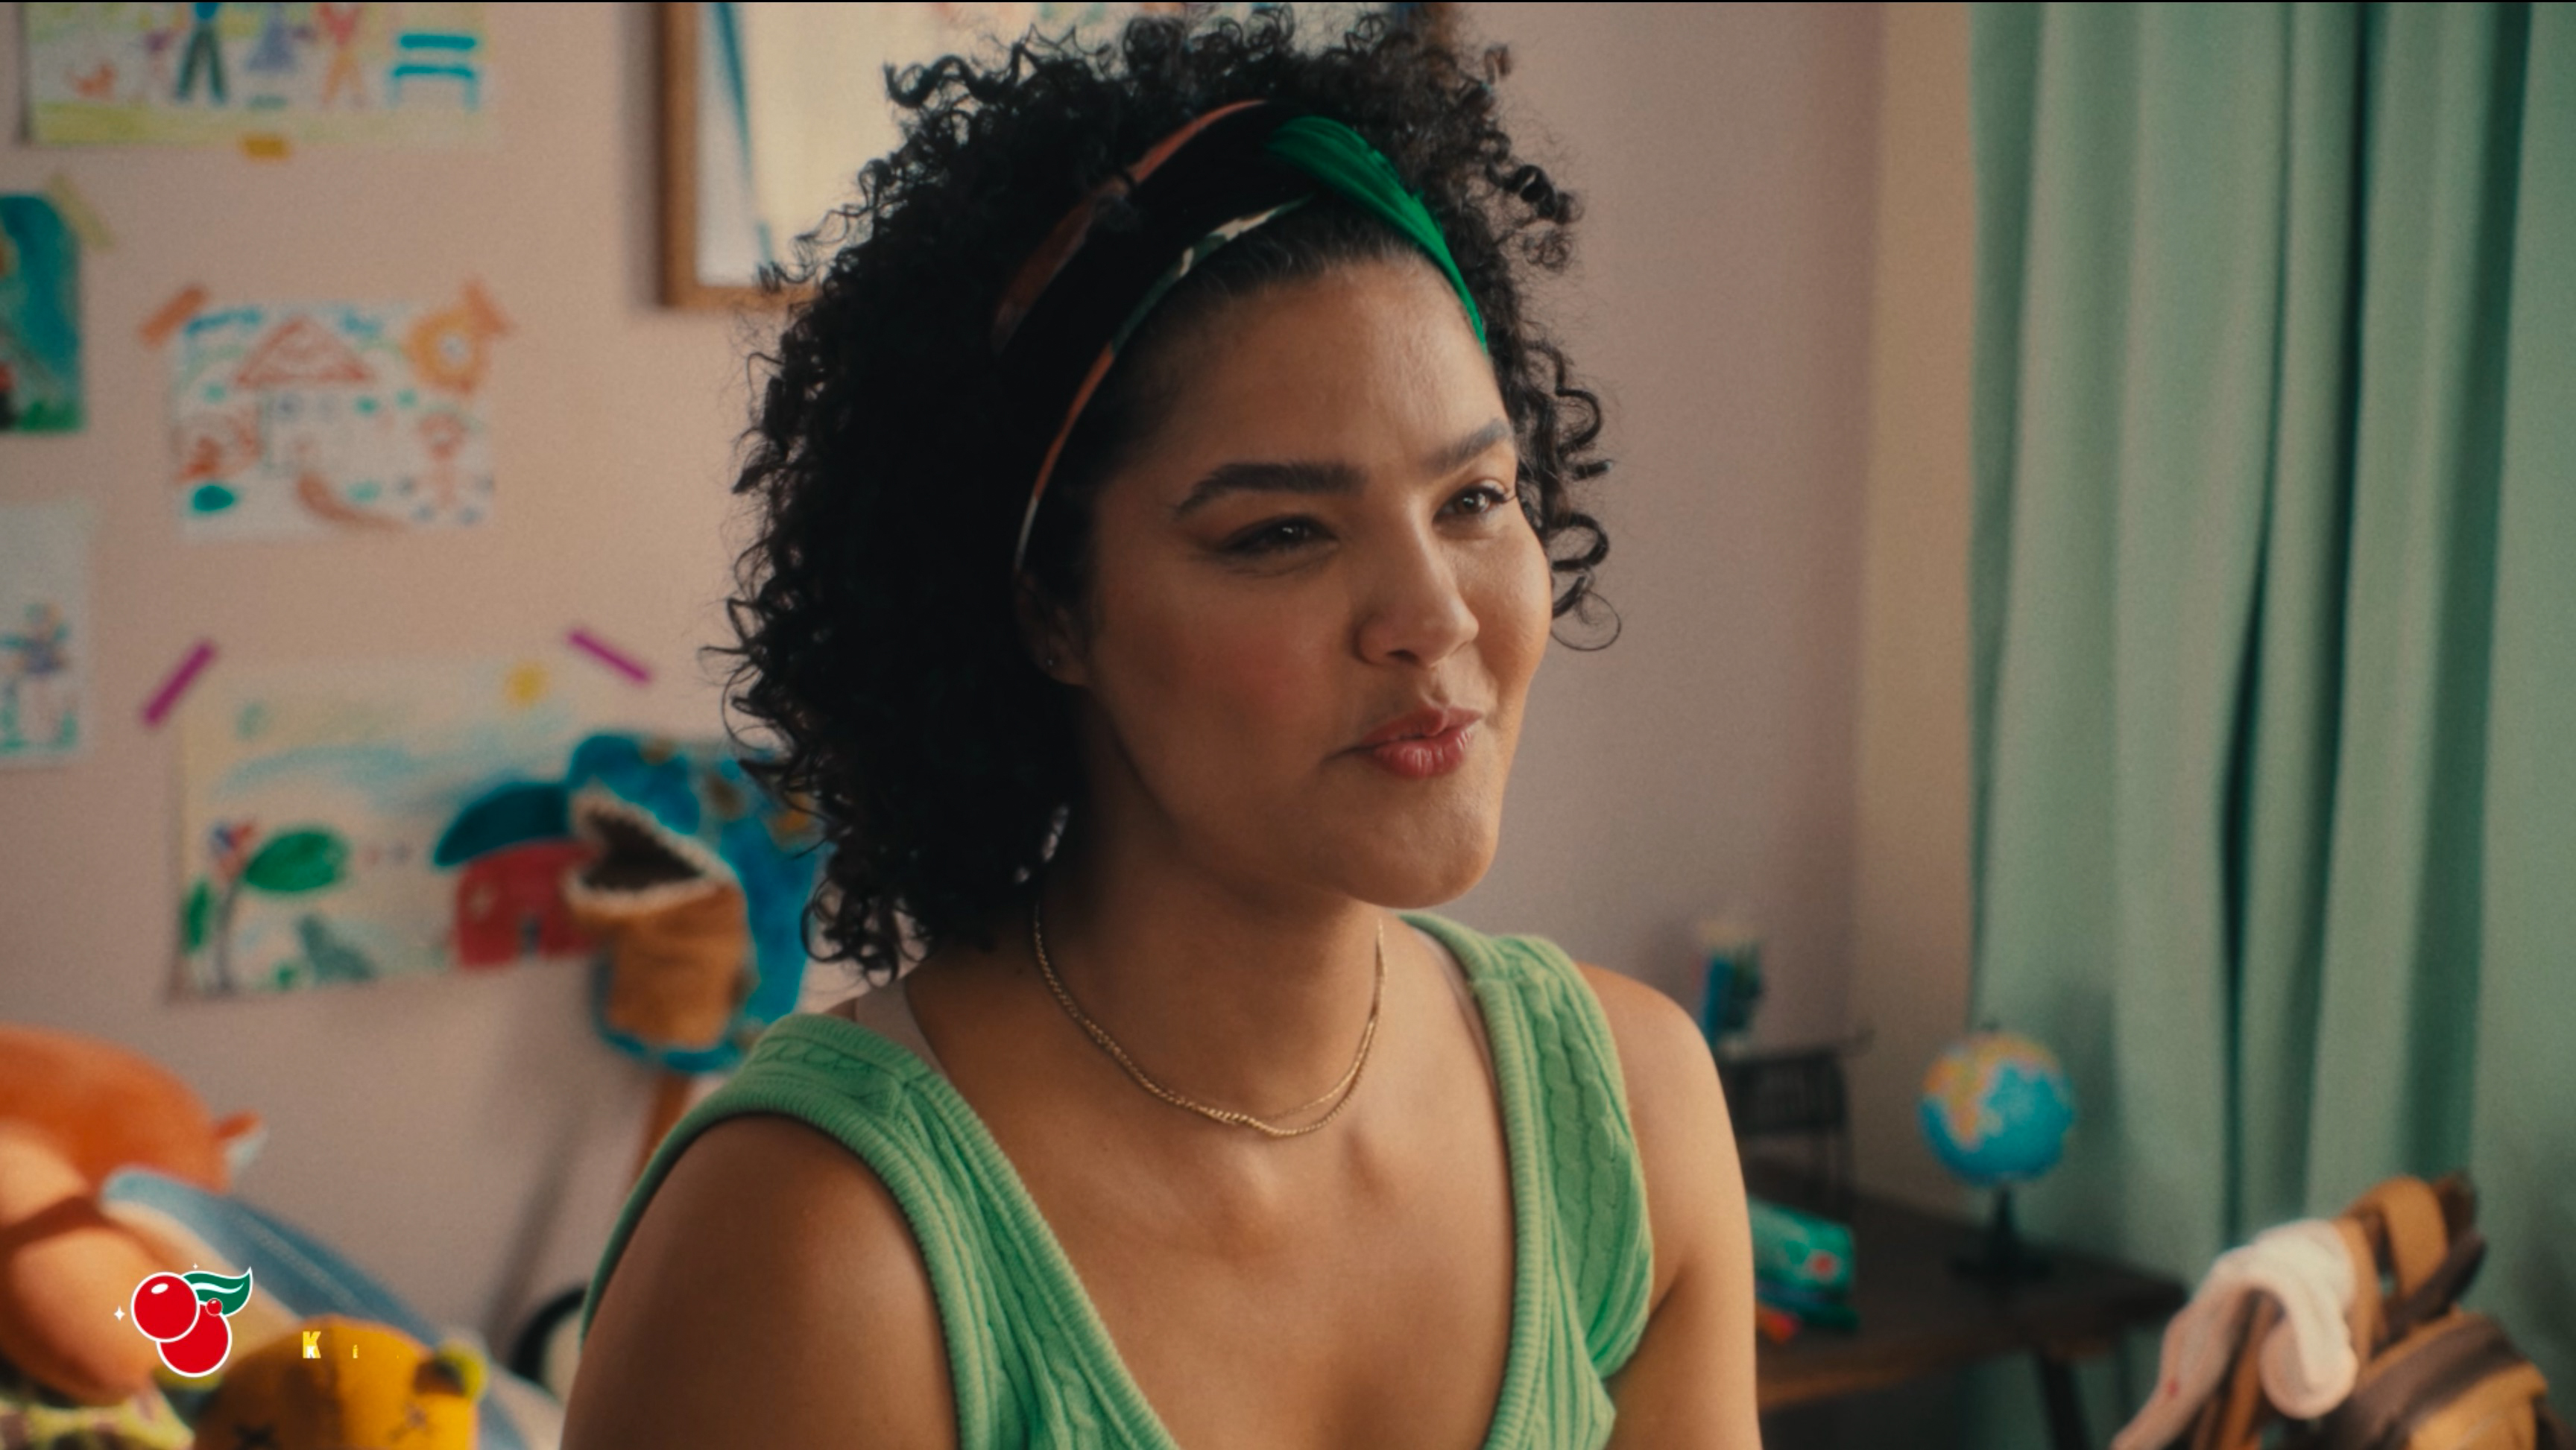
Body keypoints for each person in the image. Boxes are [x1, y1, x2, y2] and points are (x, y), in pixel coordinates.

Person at [566, 10, 1757, 1447]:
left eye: (1475, 500)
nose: (1432, 613)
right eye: (1282, 532)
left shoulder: (1626, 1121)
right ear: (1054, 611)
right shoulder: (814, 1248)